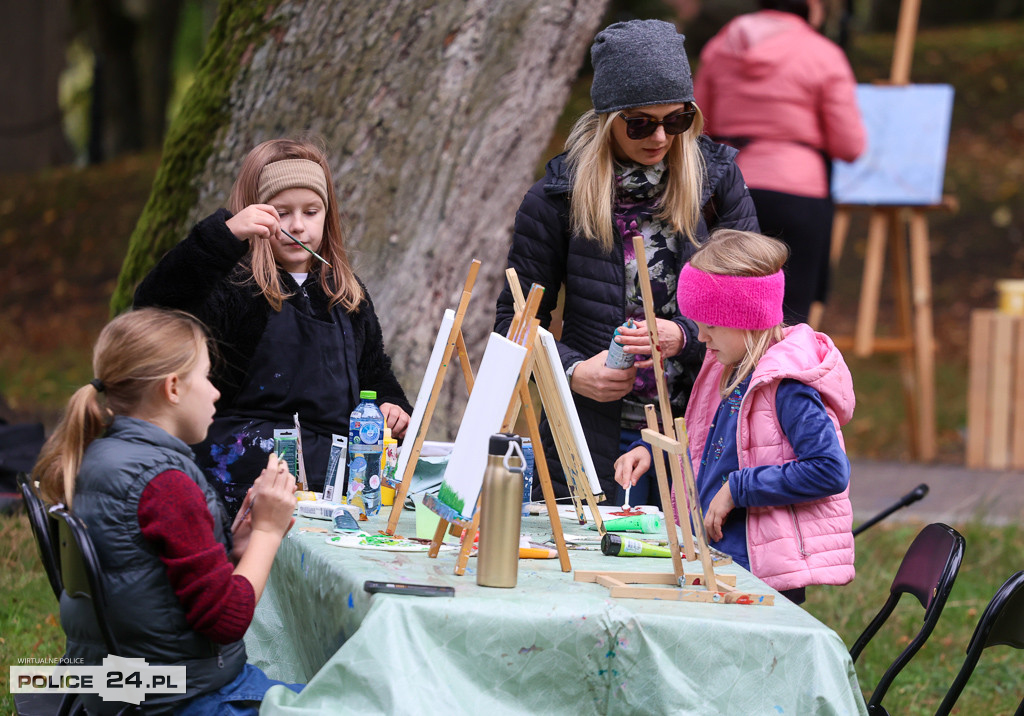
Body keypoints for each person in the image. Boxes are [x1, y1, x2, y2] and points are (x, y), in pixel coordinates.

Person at [495, 19, 759, 504]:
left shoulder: (717, 182)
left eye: (676, 120)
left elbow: (758, 309)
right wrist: (574, 371)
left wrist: (683, 335)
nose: (660, 136)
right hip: (596, 434)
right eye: (640, 122)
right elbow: (515, 322)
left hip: (704, 427)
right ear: (607, 118)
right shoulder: (557, 197)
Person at [33, 308, 301, 715]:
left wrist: (231, 549)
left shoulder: (101, 456)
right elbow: (226, 619)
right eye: (207, 377)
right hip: (185, 698)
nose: (215, 392)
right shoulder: (164, 483)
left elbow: (143, 577)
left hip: (129, 688)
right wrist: (268, 532)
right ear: (173, 387)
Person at [135, 137, 412, 514]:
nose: (298, 226)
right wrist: (223, 237)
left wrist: (390, 404)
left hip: (334, 492)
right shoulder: (235, 287)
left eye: (311, 212)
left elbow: (375, 372)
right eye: (282, 213)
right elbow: (154, 306)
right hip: (242, 486)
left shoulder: (347, 294)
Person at [614, 229, 855, 603]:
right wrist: (655, 451)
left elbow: (828, 469)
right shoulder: (725, 366)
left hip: (763, 577)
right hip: (723, 562)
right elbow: (709, 445)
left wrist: (736, 489)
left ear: (748, 317)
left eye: (710, 325)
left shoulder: (787, 386)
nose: (701, 338)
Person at [694, 0, 865, 324]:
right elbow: (850, 145)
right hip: (798, 192)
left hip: (727, 187)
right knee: (790, 312)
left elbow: (698, 123)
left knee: (727, 306)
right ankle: (781, 375)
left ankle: (731, 375)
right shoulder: (822, 53)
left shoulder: (721, 46)